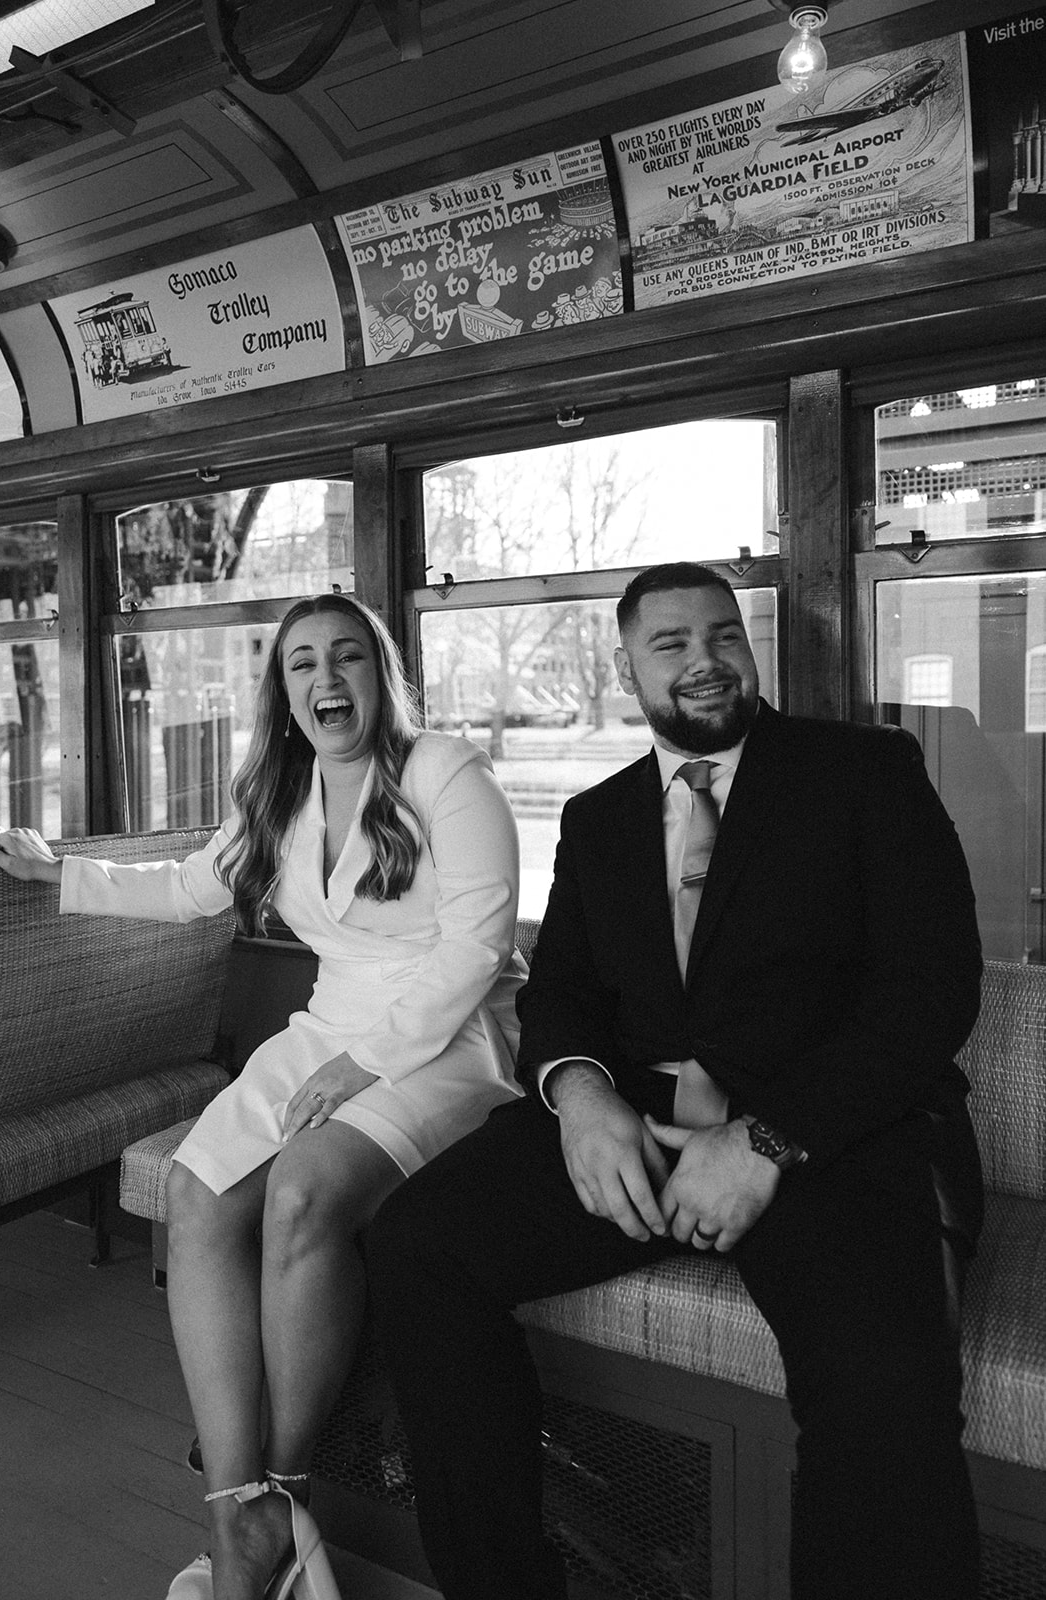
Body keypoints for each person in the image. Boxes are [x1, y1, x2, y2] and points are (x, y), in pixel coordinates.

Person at [366, 561, 985, 1600]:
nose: (703, 659)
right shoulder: (599, 816)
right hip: (638, 1124)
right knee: (414, 1243)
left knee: (882, 1384)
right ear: (625, 670)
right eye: (670, 643)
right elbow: (557, 991)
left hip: (833, 1130)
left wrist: (767, 1139)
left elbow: (930, 990)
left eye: (722, 635)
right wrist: (578, 1097)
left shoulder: (863, 772)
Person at [0, 592, 526, 1600]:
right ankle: (242, 1513)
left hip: (451, 1035)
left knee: (304, 1190)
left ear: (381, 672)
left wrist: (370, 1065)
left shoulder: (446, 771)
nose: (327, 678)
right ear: (282, 690)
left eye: (348, 656)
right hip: (327, 1020)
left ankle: (282, 1481)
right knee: (194, 1190)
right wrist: (61, 872)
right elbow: (192, 885)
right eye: (303, 662)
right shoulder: (275, 790)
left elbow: (480, 944)